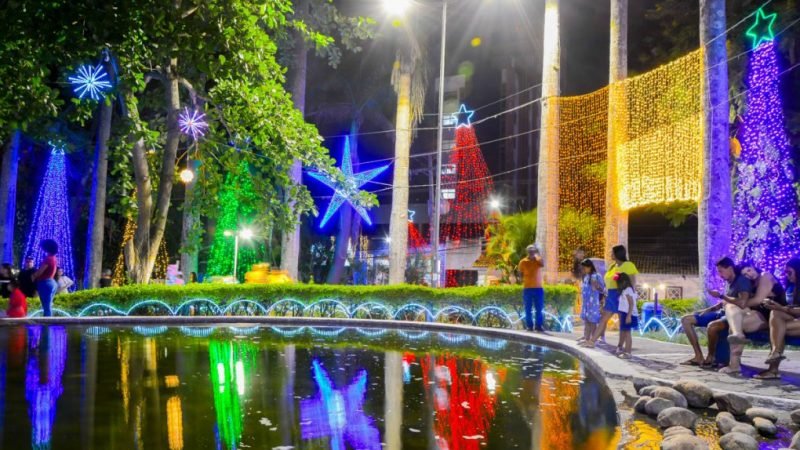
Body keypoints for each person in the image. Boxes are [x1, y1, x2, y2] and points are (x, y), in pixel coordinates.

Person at [719, 261, 784, 374]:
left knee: (735, 321)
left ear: (753, 267)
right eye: (745, 274)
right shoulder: (750, 284)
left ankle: (734, 361)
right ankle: (734, 364)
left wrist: (740, 303)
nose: (749, 275)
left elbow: (758, 300)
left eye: (749, 270)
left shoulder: (765, 276)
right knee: (735, 325)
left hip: (775, 316)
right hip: (759, 314)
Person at [679, 257, 745, 367]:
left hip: (731, 317)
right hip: (720, 313)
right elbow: (724, 302)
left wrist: (719, 295)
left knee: (712, 326)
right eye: (718, 271)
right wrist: (708, 309)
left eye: (721, 271)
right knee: (686, 320)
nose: (720, 275)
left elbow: (741, 302)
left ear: (730, 268)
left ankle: (711, 357)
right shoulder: (728, 282)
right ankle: (698, 356)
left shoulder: (741, 281)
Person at [581, 245, 638, 349]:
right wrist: (605, 296)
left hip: (622, 295)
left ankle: (620, 346)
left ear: (617, 253)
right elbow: (608, 282)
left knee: (622, 322)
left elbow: (633, 282)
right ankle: (592, 341)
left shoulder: (628, 265)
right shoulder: (612, 266)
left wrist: (630, 296)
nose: (610, 254)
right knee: (603, 319)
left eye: (612, 252)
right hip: (611, 295)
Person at [758, 257, 800, 379]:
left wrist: (781, 308)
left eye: (790, 272)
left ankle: (773, 368)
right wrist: (773, 304)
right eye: (785, 272)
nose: (787, 275)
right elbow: (791, 309)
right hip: (796, 321)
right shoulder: (791, 287)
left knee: (776, 330)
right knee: (775, 315)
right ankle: (775, 354)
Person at [518, 244, 545, 332]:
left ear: (535, 252)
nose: (531, 252)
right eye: (530, 251)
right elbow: (520, 273)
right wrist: (523, 280)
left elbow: (542, 264)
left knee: (539, 309)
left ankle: (538, 326)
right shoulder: (523, 262)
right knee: (527, 309)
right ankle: (529, 326)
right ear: (527, 252)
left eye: (533, 251)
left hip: (538, 288)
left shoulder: (538, 260)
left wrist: (537, 256)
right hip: (527, 289)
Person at [578, 259, 604, 343]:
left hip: (593, 303)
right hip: (586, 303)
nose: (583, 270)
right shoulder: (586, 277)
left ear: (589, 267)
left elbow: (603, 289)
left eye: (584, 268)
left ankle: (593, 340)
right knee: (587, 320)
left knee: (592, 321)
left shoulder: (597, 276)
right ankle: (586, 338)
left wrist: (596, 286)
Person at [615, 272, 639, 359]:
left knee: (627, 333)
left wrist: (628, 316)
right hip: (625, 313)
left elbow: (631, 304)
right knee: (625, 332)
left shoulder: (628, 289)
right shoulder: (625, 290)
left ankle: (628, 352)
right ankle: (626, 351)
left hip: (628, 313)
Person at [32, 239, 59, 317]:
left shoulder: (48, 258)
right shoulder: (54, 258)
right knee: (48, 305)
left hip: (45, 283)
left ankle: (47, 325)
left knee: (46, 306)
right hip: (52, 282)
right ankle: (48, 324)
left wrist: (33, 276)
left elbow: (41, 271)